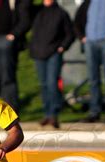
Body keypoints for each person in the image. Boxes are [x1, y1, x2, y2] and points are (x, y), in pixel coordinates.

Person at [74, 0, 105, 123]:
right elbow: (77, 19)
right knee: (93, 79)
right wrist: (82, 37)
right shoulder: (88, 2)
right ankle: (94, 112)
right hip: (90, 42)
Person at [30, 0, 75, 129]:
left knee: (52, 83)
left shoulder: (61, 13)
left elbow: (70, 34)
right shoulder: (37, 11)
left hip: (54, 53)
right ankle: (47, 113)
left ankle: (54, 113)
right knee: (43, 84)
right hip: (39, 53)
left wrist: (62, 47)